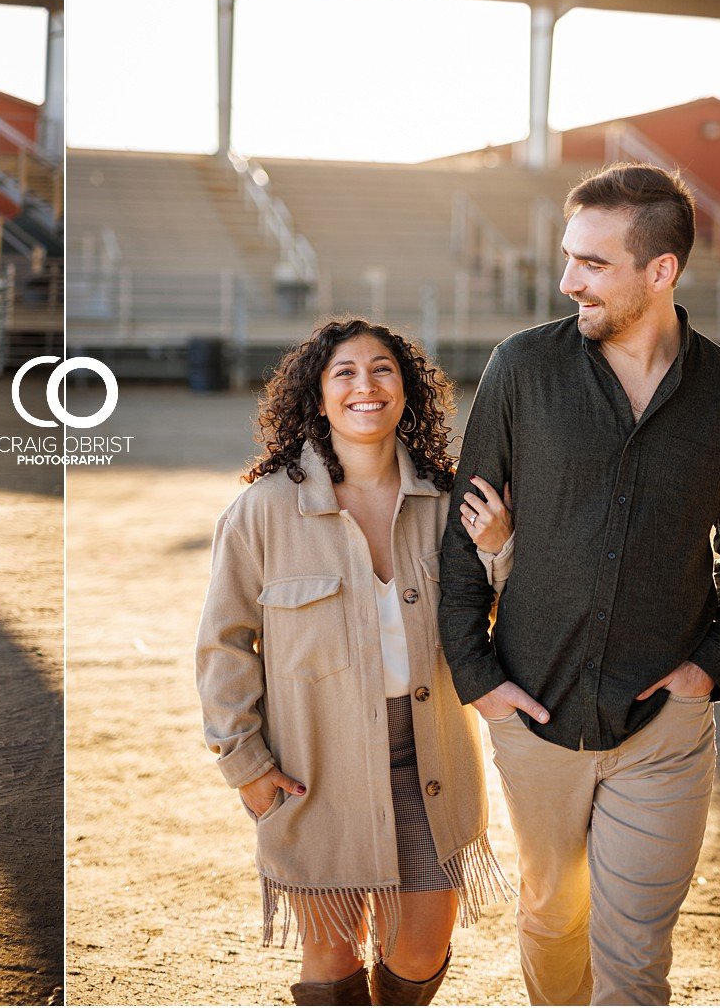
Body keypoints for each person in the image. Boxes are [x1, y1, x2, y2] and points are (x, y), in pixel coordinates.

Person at [438, 162, 720, 1005]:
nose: (568, 281)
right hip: (534, 716)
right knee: (554, 919)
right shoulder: (522, 368)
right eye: (569, 257)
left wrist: (710, 667)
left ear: (660, 270)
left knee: (633, 956)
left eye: (593, 263)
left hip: (661, 732)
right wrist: (479, 680)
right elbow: (460, 540)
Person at [197, 318, 516, 1006]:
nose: (365, 385)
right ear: (317, 396)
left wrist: (498, 548)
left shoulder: (452, 502)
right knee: (333, 954)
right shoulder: (262, 511)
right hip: (318, 766)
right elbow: (223, 642)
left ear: (406, 392)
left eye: (382, 370)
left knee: (424, 943)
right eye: (344, 372)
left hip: (431, 758)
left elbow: (503, 619)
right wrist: (245, 766)